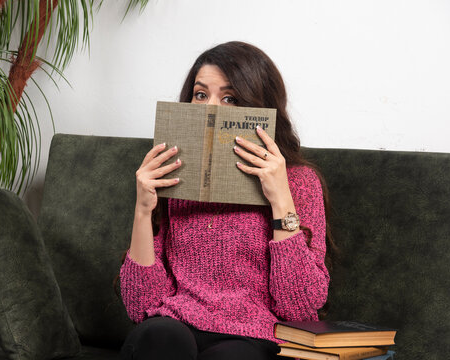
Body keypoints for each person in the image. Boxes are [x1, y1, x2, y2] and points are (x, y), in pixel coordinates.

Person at [119, 41, 333, 360]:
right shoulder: (173, 175)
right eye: (201, 95)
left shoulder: (300, 182)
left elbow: (299, 305)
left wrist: (281, 200)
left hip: (255, 338)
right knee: (159, 335)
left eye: (229, 98)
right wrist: (142, 209)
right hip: (175, 327)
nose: (211, 109)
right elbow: (141, 306)